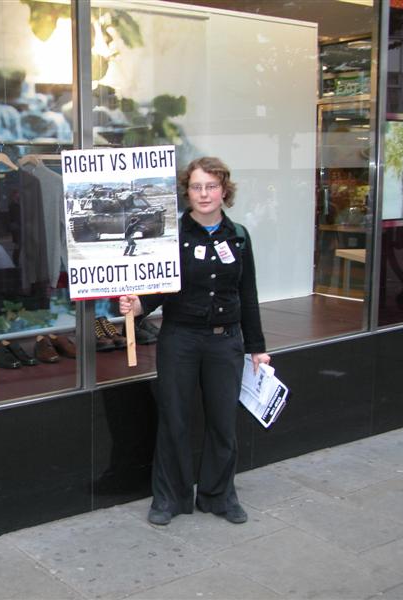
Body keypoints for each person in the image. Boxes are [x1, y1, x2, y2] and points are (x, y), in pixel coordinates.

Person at [118, 156, 270, 526]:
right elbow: (156, 288)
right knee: (174, 419)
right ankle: (169, 498)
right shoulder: (169, 236)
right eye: (197, 186)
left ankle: (219, 496)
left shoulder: (239, 236)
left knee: (222, 422)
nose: (204, 194)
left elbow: (246, 294)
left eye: (212, 186)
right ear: (187, 192)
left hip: (226, 343)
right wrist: (136, 306)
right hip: (180, 341)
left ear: (224, 191)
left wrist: (257, 347)